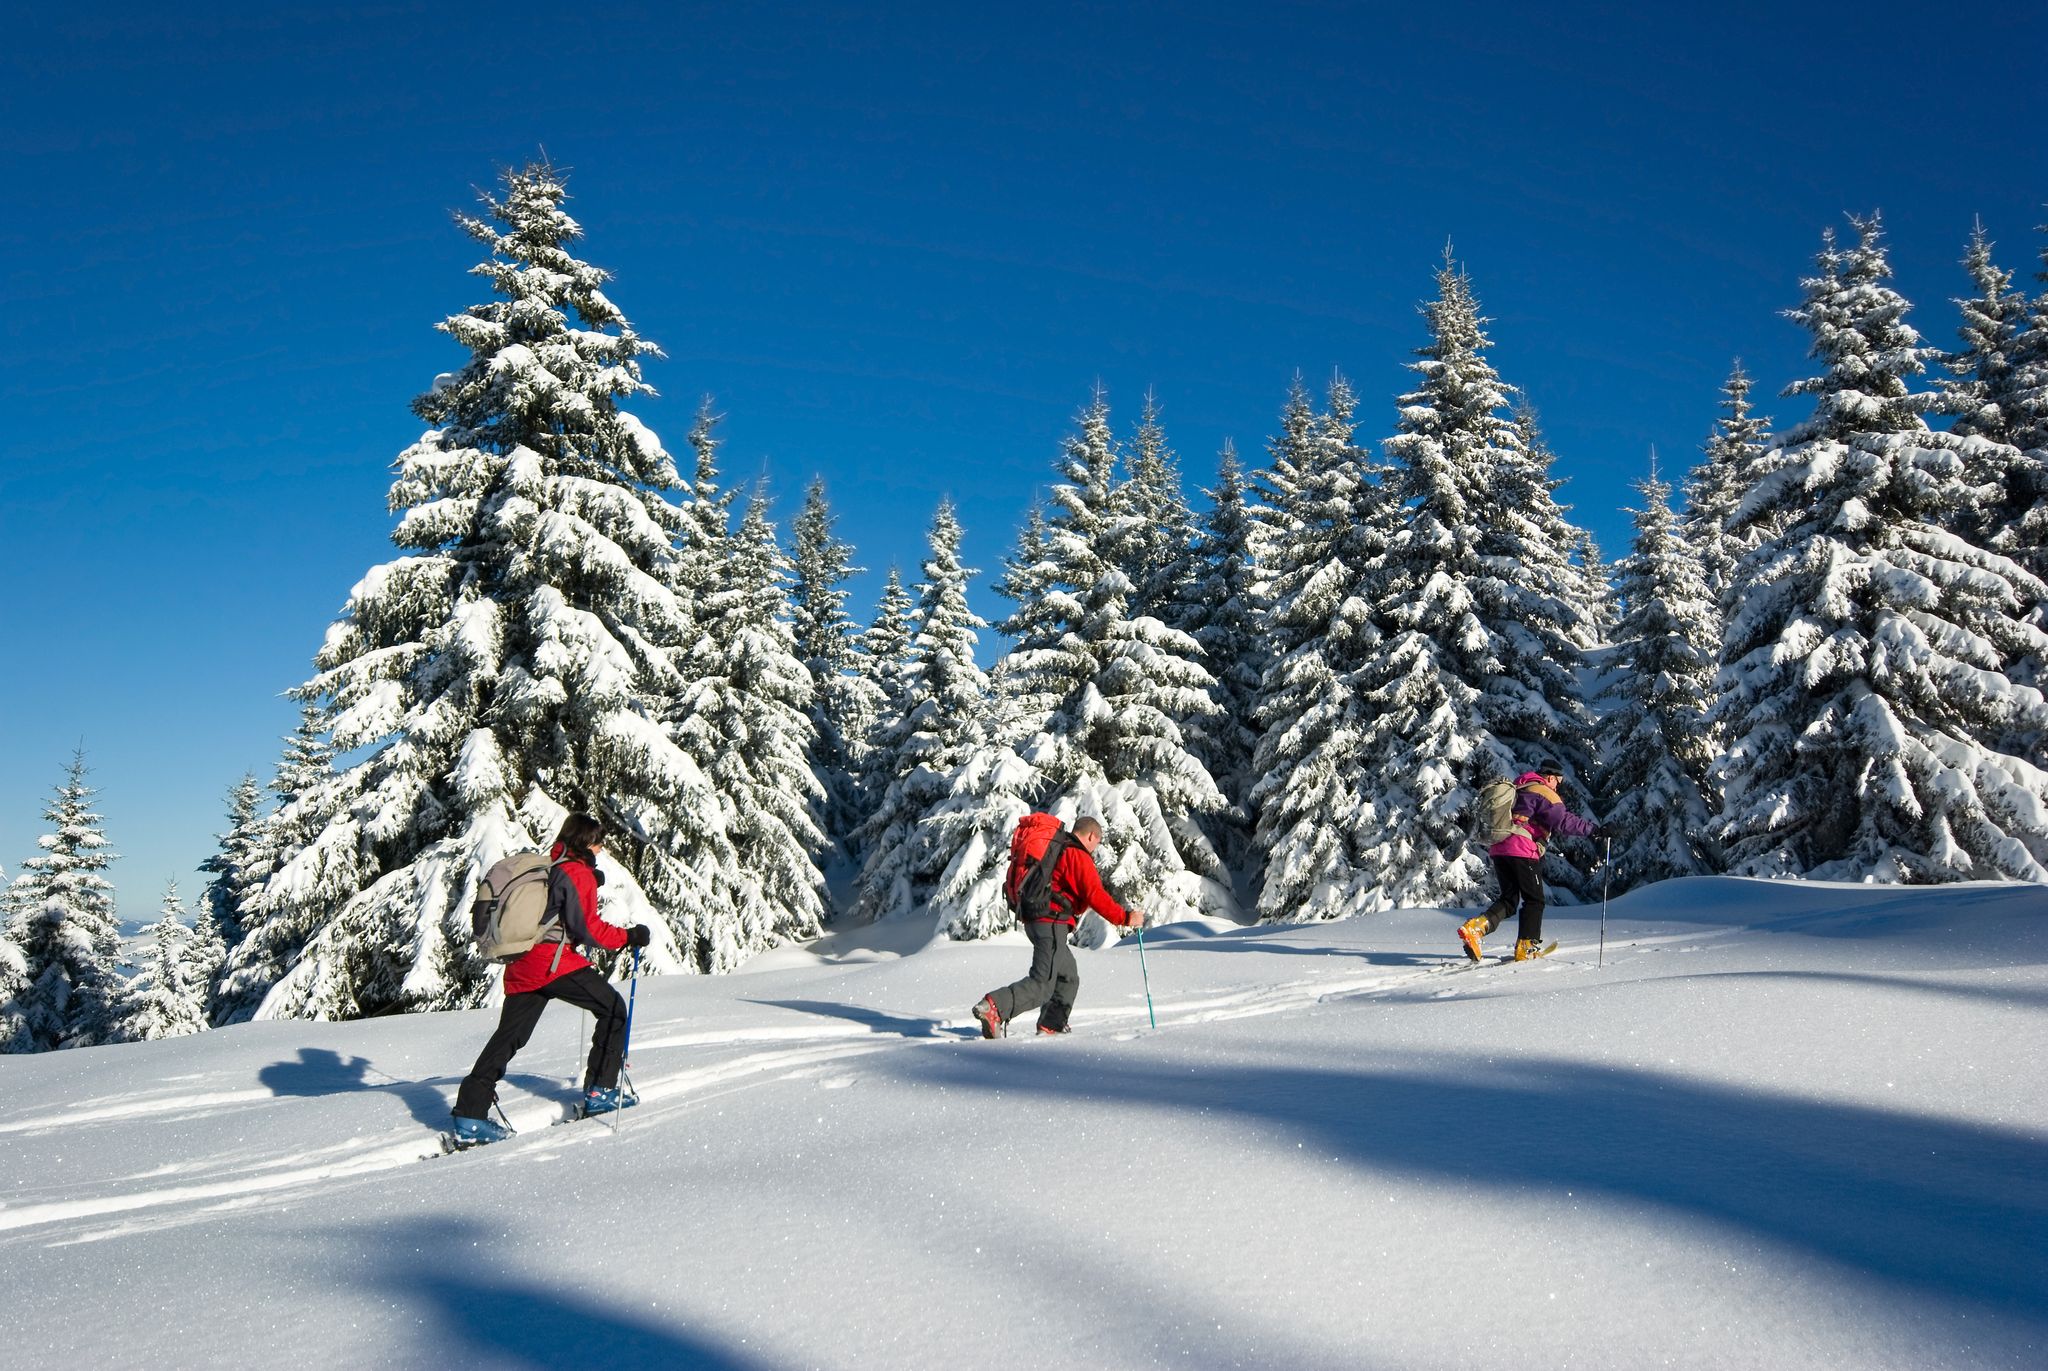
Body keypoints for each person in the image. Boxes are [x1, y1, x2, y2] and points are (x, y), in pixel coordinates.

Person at [450, 814, 652, 1145]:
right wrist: (629, 936)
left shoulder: (553, 864)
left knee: (510, 1036)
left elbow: (556, 904)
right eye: (598, 842)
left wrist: (588, 882)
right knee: (613, 1009)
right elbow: (587, 930)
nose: (601, 849)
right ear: (586, 842)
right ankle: (601, 1091)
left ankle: (470, 1113)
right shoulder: (576, 872)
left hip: (522, 964)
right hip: (553, 963)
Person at [971, 815, 1145, 1038]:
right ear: (1091, 836)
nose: (1095, 848)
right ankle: (994, 1007)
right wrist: (1126, 918)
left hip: (1039, 921)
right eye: (1097, 842)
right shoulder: (1076, 854)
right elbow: (1095, 894)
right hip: (1051, 922)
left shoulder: (1060, 849)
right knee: (1042, 983)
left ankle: (1051, 1025)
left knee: (1067, 976)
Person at [1458, 761, 1601, 962]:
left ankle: (1476, 928)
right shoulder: (1543, 790)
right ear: (1550, 777)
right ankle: (1526, 946)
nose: (1557, 786)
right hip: (1522, 850)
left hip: (1500, 849)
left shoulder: (1519, 787)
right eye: (1558, 781)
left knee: (1509, 900)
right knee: (1535, 900)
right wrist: (1595, 830)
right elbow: (1563, 821)